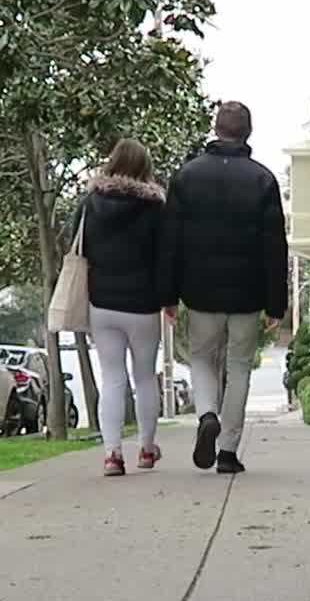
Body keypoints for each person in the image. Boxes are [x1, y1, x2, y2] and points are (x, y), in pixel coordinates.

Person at [166, 100, 289, 474]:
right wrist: (276, 303)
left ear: (216, 129)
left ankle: (207, 414)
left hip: (200, 289)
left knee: (202, 358)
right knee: (239, 367)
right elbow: (274, 246)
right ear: (247, 132)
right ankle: (228, 452)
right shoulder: (263, 180)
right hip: (247, 292)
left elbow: (171, 242)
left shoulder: (187, 177)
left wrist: (168, 295)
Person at [74, 138, 174, 476]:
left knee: (112, 378)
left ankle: (112, 454)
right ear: (145, 167)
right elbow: (166, 257)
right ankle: (146, 448)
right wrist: (169, 299)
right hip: (143, 304)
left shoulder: (90, 203)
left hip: (102, 302)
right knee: (144, 377)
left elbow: (77, 247)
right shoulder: (156, 208)